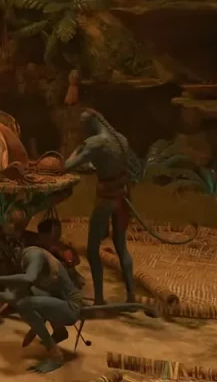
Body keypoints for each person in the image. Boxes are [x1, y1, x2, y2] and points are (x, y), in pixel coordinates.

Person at [0, 245, 83, 374]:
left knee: (25, 304)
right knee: (23, 300)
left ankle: (56, 357)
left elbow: (29, 278)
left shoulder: (33, 254)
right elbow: (12, 297)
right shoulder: (24, 265)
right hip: (58, 304)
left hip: (71, 307)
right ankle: (59, 331)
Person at [63, 109, 137, 306]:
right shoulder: (121, 139)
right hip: (122, 197)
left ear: (88, 124)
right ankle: (131, 297)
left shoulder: (95, 143)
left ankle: (98, 299)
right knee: (121, 247)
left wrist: (78, 149)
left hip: (106, 200)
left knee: (92, 249)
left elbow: (68, 165)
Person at [34, 218, 85, 289]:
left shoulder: (61, 246)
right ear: (45, 234)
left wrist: (69, 260)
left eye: (59, 230)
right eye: (56, 230)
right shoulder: (38, 247)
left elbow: (76, 261)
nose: (59, 233)